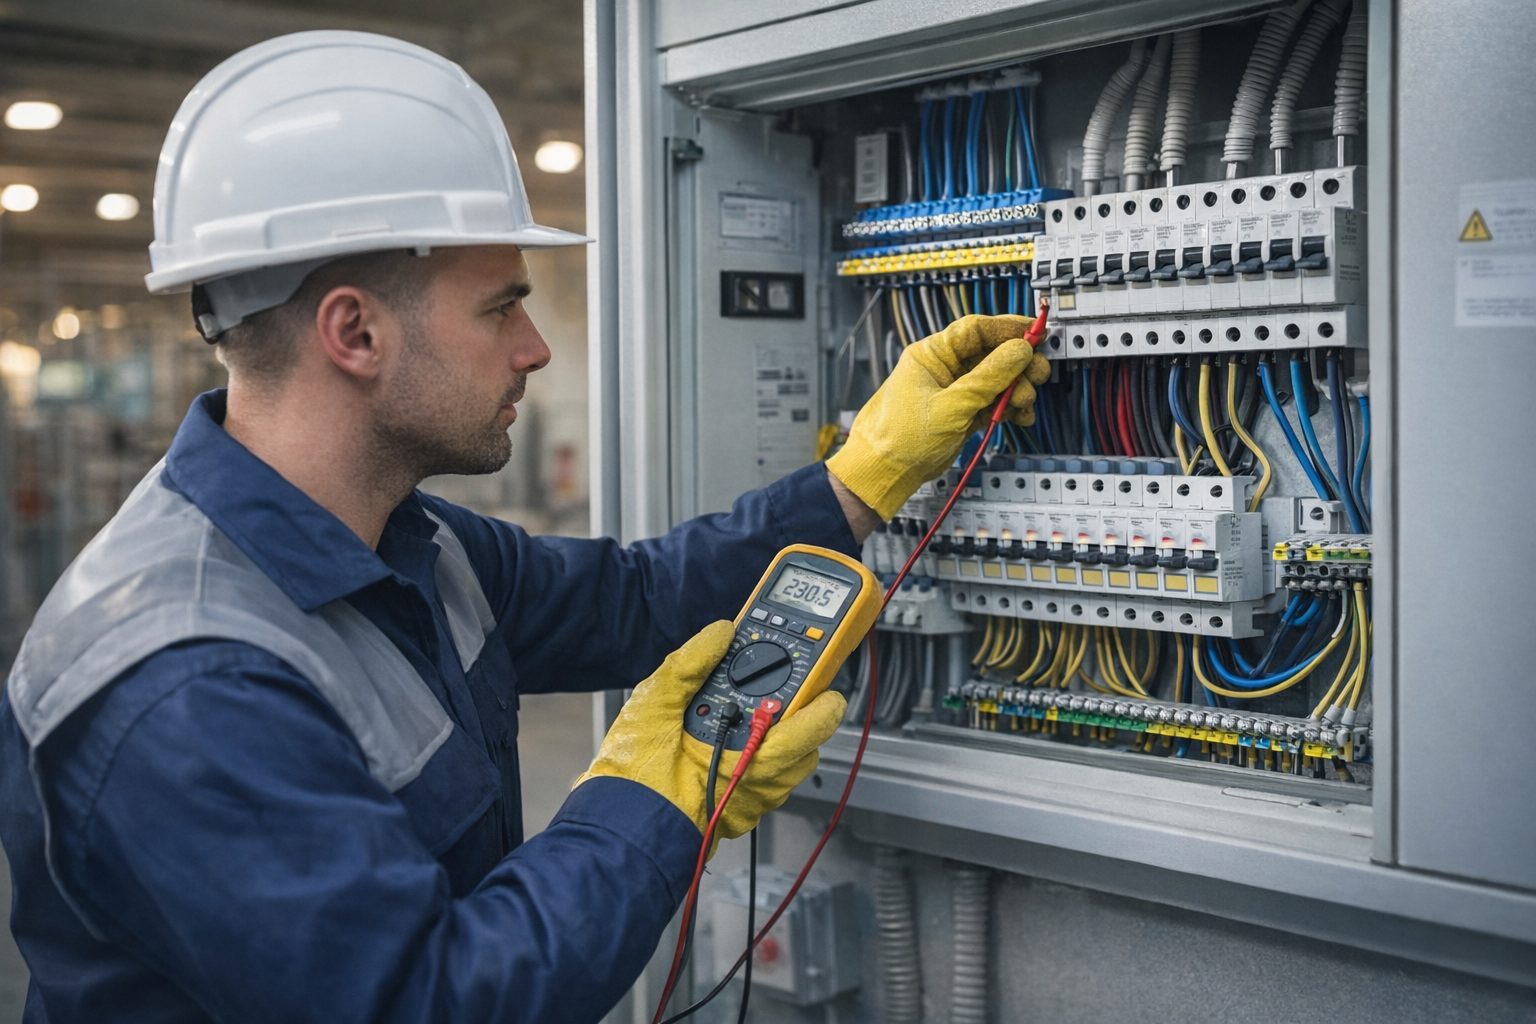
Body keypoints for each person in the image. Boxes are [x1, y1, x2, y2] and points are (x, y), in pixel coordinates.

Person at [0, 31, 1049, 1024]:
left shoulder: (412, 543)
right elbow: (434, 1002)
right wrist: (649, 799)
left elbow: (636, 598)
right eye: (501, 306)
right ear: (354, 331)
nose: (537, 347)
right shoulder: (184, 684)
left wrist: (866, 475)